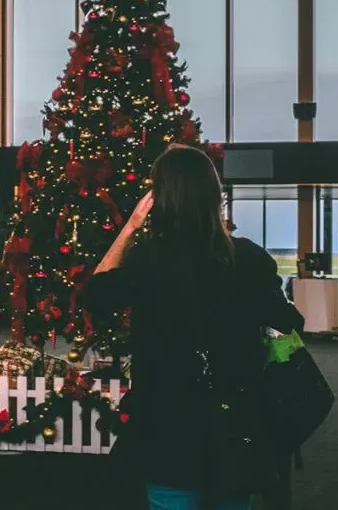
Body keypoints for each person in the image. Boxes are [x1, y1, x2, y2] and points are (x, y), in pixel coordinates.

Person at [81, 144, 304, 510]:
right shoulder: (248, 258)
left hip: (167, 427)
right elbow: (289, 323)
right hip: (234, 424)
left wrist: (131, 226)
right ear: (215, 197)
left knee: (170, 499)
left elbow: (95, 294)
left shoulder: (149, 260)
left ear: (161, 200)